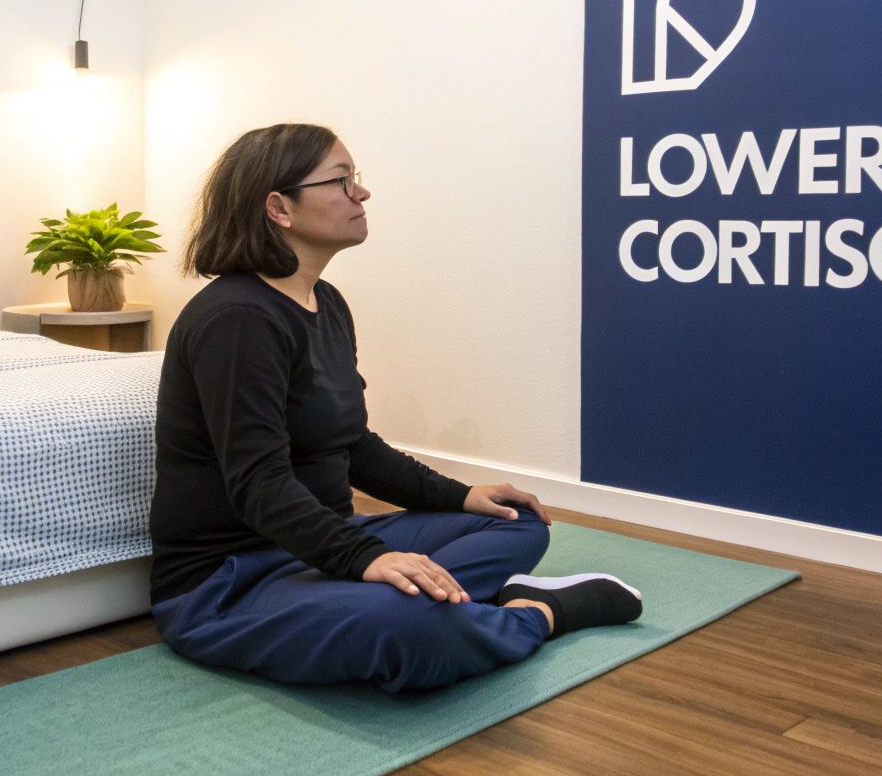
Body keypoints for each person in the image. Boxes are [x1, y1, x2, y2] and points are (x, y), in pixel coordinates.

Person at [149, 123, 642, 693]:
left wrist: (461, 496)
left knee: (515, 521)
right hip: (231, 581)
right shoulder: (235, 320)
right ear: (279, 207)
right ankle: (537, 614)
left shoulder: (324, 302)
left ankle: (437, 603)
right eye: (341, 181)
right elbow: (259, 483)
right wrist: (364, 559)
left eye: (356, 178)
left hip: (323, 542)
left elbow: (353, 444)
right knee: (410, 627)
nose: (361, 193)